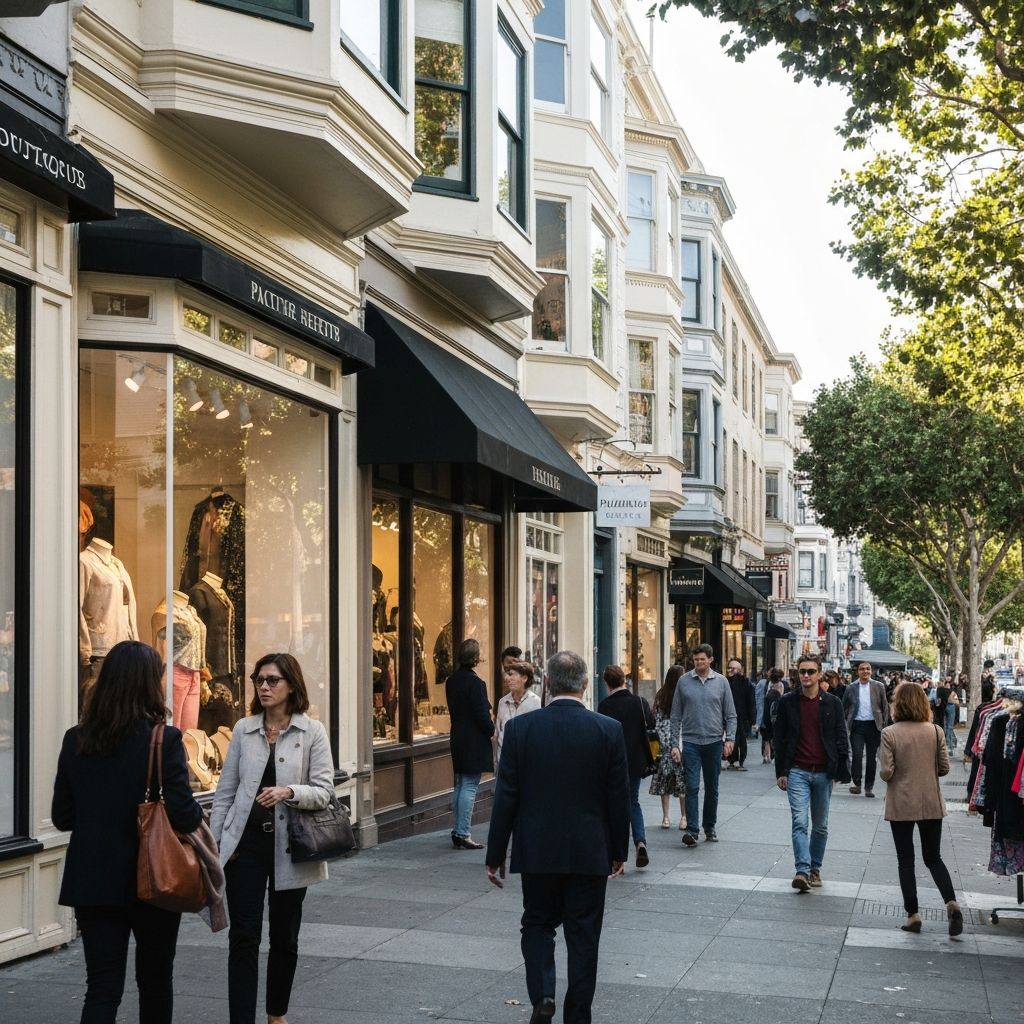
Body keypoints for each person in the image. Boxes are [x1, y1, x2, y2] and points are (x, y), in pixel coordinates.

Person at [51, 640, 204, 1024]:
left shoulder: (76, 739)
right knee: (154, 981)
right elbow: (185, 815)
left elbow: (62, 817)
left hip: (92, 880)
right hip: (153, 877)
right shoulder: (164, 739)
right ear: (149, 684)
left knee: (102, 985)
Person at [485, 651, 629, 1024]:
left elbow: (507, 796)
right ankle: (577, 1014)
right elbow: (618, 797)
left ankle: (543, 994)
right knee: (584, 938)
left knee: (537, 924)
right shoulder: (608, 730)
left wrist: (496, 852)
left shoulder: (521, 729)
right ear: (585, 684)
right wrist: (618, 850)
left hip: (538, 850)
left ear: (547, 682)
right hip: (588, 851)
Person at [211, 653, 335, 1024]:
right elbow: (224, 794)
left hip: (291, 848)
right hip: (244, 849)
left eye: (272, 680)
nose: (263, 686)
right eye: (258, 680)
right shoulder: (243, 729)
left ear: (291, 686)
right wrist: (217, 848)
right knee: (244, 938)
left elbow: (325, 791)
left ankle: (276, 1013)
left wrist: (288, 792)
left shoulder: (311, 731)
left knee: (285, 938)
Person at [879, 682, 963, 936]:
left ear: (898, 703)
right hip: (930, 802)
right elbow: (944, 768)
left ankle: (913, 914)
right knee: (933, 858)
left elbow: (885, 773)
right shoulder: (936, 731)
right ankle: (951, 902)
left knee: (905, 860)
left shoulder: (890, 733)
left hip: (901, 803)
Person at [772, 654, 851, 891]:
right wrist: (781, 771)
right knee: (799, 822)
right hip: (797, 770)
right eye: (802, 671)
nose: (805, 676)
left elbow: (840, 736)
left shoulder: (832, 703)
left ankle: (815, 868)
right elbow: (780, 738)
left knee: (820, 826)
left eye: (810, 671)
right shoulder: (787, 702)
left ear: (819, 674)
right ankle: (802, 870)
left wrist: (840, 769)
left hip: (823, 772)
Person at [669, 643, 737, 846]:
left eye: (702, 659)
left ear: (710, 660)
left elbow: (731, 714)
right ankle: (692, 830)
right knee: (691, 786)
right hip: (690, 742)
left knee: (712, 787)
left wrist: (730, 739)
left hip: (714, 742)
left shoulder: (722, 682)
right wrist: (674, 744)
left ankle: (709, 826)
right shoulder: (683, 681)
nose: (698, 662)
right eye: (696, 659)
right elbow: (675, 715)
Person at [597, 664, 655, 868]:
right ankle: (640, 841)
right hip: (636, 762)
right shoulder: (639, 702)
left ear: (606, 683)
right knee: (633, 801)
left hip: (612, 763)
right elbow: (651, 725)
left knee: (612, 805)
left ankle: (616, 854)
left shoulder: (604, 706)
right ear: (624, 680)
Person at [445, 638, 495, 849]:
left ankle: (458, 830)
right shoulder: (476, 683)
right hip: (474, 738)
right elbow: (482, 715)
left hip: (458, 735)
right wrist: (493, 731)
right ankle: (463, 832)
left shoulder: (451, 680)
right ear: (475, 658)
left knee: (461, 783)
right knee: (470, 785)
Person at [843, 660, 890, 797]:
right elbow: (844, 706)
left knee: (872, 758)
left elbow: (885, 706)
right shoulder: (851, 687)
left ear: (871, 671)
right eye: (862, 669)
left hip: (873, 726)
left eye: (868, 669)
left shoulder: (879, 686)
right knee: (857, 756)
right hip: (857, 725)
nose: (865, 671)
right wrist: (846, 722)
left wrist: (884, 726)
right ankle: (857, 784)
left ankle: (869, 787)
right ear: (858, 672)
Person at [650, 666, 687, 831]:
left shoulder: (660, 695)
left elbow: (657, 722)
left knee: (665, 781)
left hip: (665, 745)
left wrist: (665, 744)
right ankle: (684, 817)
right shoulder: (684, 694)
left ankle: (665, 817)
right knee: (681, 782)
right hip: (681, 742)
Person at [495, 659, 541, 764]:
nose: (507, 678)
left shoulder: (535, 702)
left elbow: (537, 734)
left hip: (526, 759)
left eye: (511, 675)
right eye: (507, 675)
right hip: (504, 759)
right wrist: (495, 762)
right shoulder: (502, 702)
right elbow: (497, 733)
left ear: (524, 678)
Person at [725, 658, 756, 771]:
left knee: (741, 739)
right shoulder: (725, 682)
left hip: (742, 717)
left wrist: (752, 719)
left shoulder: (746, 683)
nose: (730, 671)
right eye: (729, 668)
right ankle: (731, 760)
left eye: (732, 668)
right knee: (730, 738)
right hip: (729, 716)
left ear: (739, 670)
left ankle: (739, 761)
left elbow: (751, 702)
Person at [760, 670, 784, 763]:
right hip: (775, 712)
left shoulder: (768, 685)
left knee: (766, 736)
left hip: (768, 709)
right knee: (773, 735)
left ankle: (767, 755)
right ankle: (771, 754)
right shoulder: (781, 685)